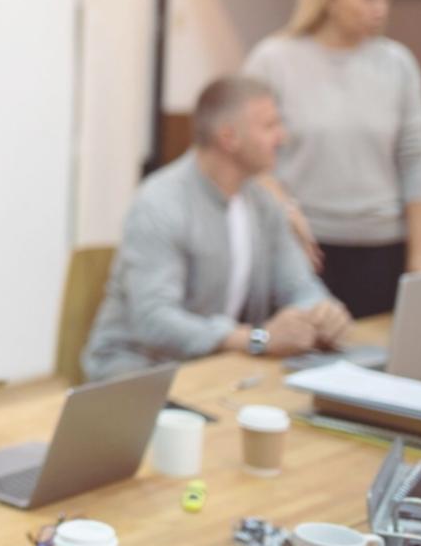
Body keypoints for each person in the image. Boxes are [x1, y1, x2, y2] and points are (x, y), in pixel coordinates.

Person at [82, 76, 351, 381]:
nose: (283, 137)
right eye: (269, 126)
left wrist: (321, 313)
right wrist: (258, 339)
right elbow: (154, 320)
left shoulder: (264, 204)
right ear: (229, 137)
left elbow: (299, 286)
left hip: (218, 367)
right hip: (139, 371)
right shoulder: (159, 203)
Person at [245, 0, 421, 318]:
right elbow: (250, 157)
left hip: (382, 246)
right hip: (302, 248)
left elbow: (417, 157)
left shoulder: (398, 64)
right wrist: (284, 208)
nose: (380, 8)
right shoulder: (274, 59)